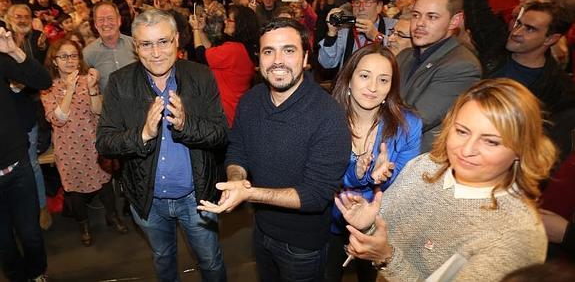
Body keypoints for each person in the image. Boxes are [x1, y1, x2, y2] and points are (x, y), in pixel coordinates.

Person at [336, 79, 554, 282]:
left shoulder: (518, 235)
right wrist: (368, 226)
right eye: (461, 131)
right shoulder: (427, 166)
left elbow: (387, 255)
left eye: (491, 142)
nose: (467, 150)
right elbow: (383, 234)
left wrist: (387, 259)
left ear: (521, 148)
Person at [197, 18, 351, 281]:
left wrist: (248, 194)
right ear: (259, 60)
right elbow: (238, 151)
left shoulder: (328, 115)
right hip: (261, 232)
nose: (277, 60)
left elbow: (315, 195)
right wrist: (236, 179)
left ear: (305, 59)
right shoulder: (251, 100)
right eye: (269, 51)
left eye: (289, 50)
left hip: (303, 245)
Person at [96, 9, 228, 282]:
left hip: (197, 198)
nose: (156, 52)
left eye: (163, 41)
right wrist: (142, 134)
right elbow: (105, 142)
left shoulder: (201, 76)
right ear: (136, 46)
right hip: (148, 200)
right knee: (163, 260)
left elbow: (220, 134)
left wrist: (185, 126)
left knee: (211, 262)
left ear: (177, 40)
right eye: (146, 44)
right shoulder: (120, 83)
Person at [460, 0, 575, 164]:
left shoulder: (560, 91)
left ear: (551, 39)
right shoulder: (496, 47)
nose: (517, 32)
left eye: (530, 29)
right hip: (463, 145)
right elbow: (476, 8)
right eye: (519, 23)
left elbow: (550, 148)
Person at [325, 44, 422, 282]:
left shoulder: (408, 125)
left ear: (391, 87)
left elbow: (406, 182)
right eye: (365, 76)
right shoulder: (326, 118)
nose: (372, 87)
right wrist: (360, 174)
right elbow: (323, 174)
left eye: (383, 80)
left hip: (380, 221)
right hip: (330, 219)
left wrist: (385, 175)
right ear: (349, 79)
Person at [41, 39, 128, 246]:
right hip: (68, 149)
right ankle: (84, 225)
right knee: (76, 190)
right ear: (54, 61)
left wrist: (92, 88)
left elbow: (98, 110)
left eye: (74, 56)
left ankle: (112, 215)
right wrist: (70, 89)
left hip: (93, 143)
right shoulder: (47, 89)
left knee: (105, 183)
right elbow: (58, 119)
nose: (70, 60)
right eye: (64, 56)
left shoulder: (88, 79)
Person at [397, 0, 481, 152]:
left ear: (454, 21)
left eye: (432, 17)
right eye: (416, 15)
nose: (420, 23)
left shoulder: (462, 66)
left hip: (418, 164)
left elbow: (416, 121)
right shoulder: (404, 55)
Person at [0, 26, 50, 282]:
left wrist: (14, 52)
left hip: (17, 169)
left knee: (30, 234)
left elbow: (43, 81)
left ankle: (38, 273)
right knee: (4, 246)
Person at [190, 5, 259, 126]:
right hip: (236, 111)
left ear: (240, 24)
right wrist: (200, 31)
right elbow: (211, 51)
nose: (225, 21)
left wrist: (195, 29)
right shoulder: (242, 48)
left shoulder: (233, 50)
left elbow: (201, 55)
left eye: (230, 20)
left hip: (226, 115)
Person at [318, 0, 396, 70]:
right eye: (356, 2)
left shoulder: (393, 26)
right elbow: (326, 63)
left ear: (379, 6)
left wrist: (376, 36)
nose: (361, 7)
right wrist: (331, 33)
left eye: (367, 2)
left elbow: (400, 56)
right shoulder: (344, 30)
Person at [83, 2, 138, 93]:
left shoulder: (136, 45)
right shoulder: (87, 54)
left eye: (110, 18)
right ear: (96, 24)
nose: (106, 23)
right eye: (101, 20)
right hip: (107, 105)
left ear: (119, 20)